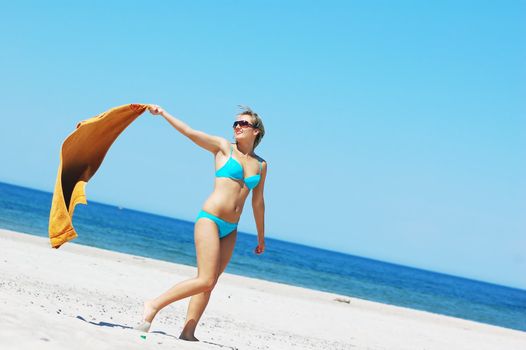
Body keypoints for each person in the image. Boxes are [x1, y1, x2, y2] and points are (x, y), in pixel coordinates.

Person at [135, 104, 267, 341]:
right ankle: (153, 305)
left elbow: (258, 203)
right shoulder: (223, 148)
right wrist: (163, 113)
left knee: (209, 284)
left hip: (231, 228)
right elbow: (189, 131)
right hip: (210, 219)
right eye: (236, 123)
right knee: (204, 279)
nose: (237, 126)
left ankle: (188, 332)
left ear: (255, 131)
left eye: (244, 123)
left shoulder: (260, 165)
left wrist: (260, 237)